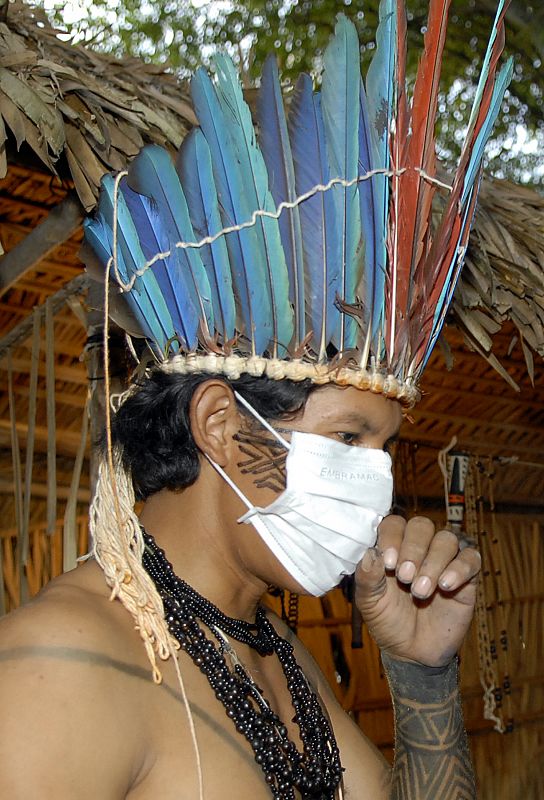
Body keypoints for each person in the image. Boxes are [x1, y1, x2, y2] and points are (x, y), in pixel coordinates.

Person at [0, 4, 509, 798]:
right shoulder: (57, 669)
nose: (376, 492)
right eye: (347, 441)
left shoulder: (275, 652)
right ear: (221, 426)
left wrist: (422, 675)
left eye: (384, 453)